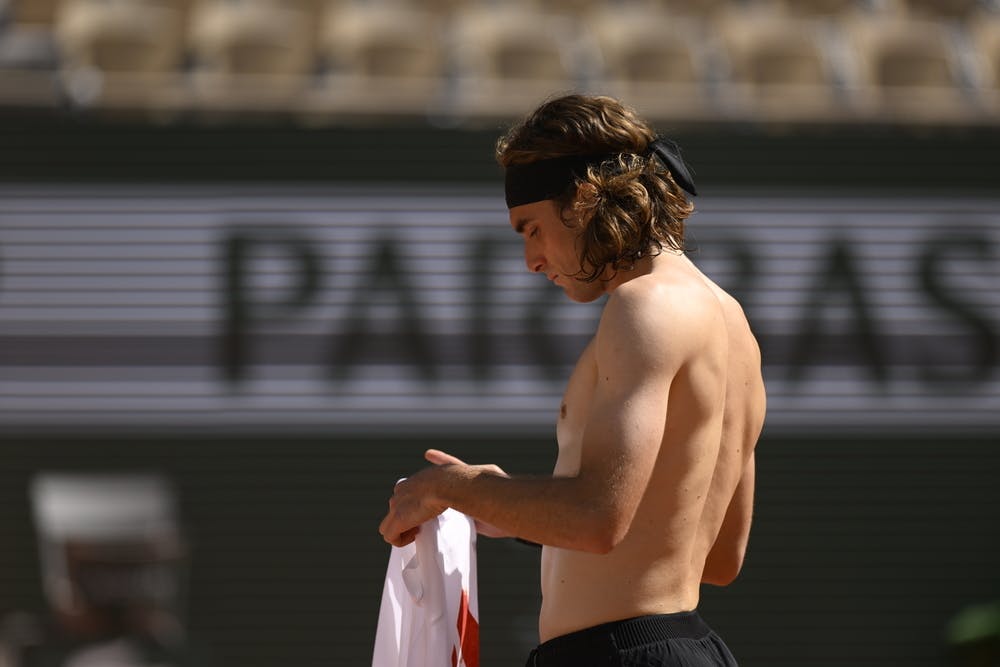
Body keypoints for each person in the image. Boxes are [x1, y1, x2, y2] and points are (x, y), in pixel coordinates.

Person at [379, 94, 766, 667]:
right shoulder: (732, 322)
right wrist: (510, 505)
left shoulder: (644, 306)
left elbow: (596, 518)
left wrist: (451, 488)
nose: (531, 260)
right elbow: (716, 556)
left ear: (583, 201)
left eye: (530, 228)